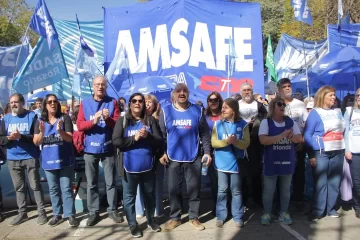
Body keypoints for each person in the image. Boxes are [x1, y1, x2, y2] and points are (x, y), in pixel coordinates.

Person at [159, 83, 212, 231]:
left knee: (194, 189)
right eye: (178, 91)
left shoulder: (198, 110)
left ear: (188, 93)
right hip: (173, 157)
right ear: (173, 94)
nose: (182, 93)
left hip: (193, 156)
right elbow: (162, 136)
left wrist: (207, 152)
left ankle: (193, 217)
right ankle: (175, 218)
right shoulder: (166, 111)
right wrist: (162, 152)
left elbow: (204, 134)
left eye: (185, 91)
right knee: (173, 190)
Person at [112, 93, 163, 238]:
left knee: (149, 195)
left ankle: (150, 220)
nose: (137, 103)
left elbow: (159, 140)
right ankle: (133, 225)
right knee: (129, 198)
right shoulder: (123, 120)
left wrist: (148, 137)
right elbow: (116, 141)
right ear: (129, 104)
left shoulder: (150, 120)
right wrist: (133, 139)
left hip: (148, 166)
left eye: (141, 101)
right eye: (134, 101)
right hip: (128, 167)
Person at [76, 75, 123, 226]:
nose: (100, 87)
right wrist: (93, 121)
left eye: (103, 84)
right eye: (97, 84)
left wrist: (108, 119)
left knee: (111, 182)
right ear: (93, 86)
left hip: (108, 147)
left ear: (106, 87)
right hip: (90, 149)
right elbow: (80, 125)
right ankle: (93, 212)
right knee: (91, 183)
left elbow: (118, 125)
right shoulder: (85, 103)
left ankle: (112, 210)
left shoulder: (112, 102)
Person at [0, 93, 47, 226]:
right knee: (19, 187)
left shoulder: (32, 116)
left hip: (30, 157)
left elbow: (36, 138)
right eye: (11, 102)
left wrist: (21, 136)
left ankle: (41, 212)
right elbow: (1, 139)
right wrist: (9, 138)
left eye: (16, 102)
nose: (13, 104)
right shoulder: (6, 119)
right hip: (13, 158)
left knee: (35, 185)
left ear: (22, 103)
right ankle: (22, 213)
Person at [33, 94, 79, 227]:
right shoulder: (40, 121)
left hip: (65, 160)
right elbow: (36, 142)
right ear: (45, 105)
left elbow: (70, 139)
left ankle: (70, 215)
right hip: (49, 161)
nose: (53, 103)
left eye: (55, 101)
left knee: (66, 189)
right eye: (49, 102)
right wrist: (41, 132)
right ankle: (57, 214)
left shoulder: (65, 118)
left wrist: (60, 131)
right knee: (53, 189)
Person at [258, 96, 302, 225]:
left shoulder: (290, 122)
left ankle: (284, 212)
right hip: (271, 161)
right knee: (269, 190)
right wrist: (281, 135)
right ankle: (267, 213)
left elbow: (299, 139)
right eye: (279, 104)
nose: (282, 106)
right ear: (273, 107)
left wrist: (291, 136)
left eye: (283, 104)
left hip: (287, 161)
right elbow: (263, 140)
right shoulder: (266, 122)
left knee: (286, 190)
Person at [304, 86, 345, 221]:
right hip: (322, 152)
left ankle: (331, 208)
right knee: (321, 182)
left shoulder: (339, 111)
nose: (334, 97)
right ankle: (318, 210)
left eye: (334, 95)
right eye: (330, 95)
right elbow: (308, 135)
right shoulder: (315, 113)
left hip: (338, 150)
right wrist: (314, 151)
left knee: (334, 181)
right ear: (323, 96)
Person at [211, 98, 250, 228]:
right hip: (221, 163)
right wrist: (227, 142)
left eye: (226, 107)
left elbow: (246, 144)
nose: (222, 110)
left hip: (236, 163)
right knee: (222, 190)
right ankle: (221, 216)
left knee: (236, 191)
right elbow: (214, 143)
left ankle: (237, 216)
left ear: (234, 110)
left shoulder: (243, 124)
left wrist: (236, 142)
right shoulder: (218, 124)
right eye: (222, 107)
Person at [277, 78, 308, 204]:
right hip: (280, 142)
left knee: (299, 172)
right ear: (279, 90)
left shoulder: (300, 104)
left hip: (297, 142)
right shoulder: (275, 104)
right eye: (284, 86)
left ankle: (298, 199)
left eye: (289, 86)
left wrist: (302, 140)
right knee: (281, 172)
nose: (288, 88)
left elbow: (306, 124)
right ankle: (281, 201)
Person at [135, 94, 165, 219]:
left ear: (155, 105)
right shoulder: (136, 118)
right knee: (139, 183)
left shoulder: (160, 118)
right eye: (145, 102)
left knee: (158, 183)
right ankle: (139, 209)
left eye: (149, 102)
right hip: (141, 155)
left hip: (157, 155)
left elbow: (163, 138)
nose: (147, 104)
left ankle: (158, 209)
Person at [238, 82, 267, 207]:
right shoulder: (236, 105)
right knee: (242, 172)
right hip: (240, 142)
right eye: (244, 90)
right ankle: (243, 200)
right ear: (241, 92)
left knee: (256, 171)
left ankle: (257, 199)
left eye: (249, 90)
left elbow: (266, 119)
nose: (246, 92)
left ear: (252, 91)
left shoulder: (259, 105)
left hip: (255, 143)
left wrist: (256, 122)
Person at [205, 92, 224, 215]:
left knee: (225, 183)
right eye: (210, 100)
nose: (213, 102)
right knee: (214, 182)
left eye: (216, 100)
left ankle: (227, 206)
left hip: (225, 152)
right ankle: (217, 207)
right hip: (211, 152)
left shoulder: (225, 115)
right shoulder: (204, 116)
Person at [343, 88, 360, 219]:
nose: (359, 97)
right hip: (354, 151)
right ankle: (358, 206)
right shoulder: (349, 111)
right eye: (358, 95)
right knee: (356, 181)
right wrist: (347, 149)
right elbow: (346, 132)